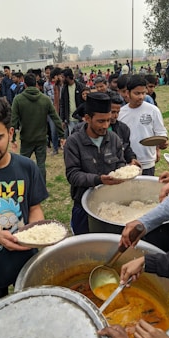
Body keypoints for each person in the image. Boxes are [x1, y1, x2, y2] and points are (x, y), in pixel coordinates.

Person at [0, 95, 48, 312]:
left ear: (10, 133)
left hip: (25, 261)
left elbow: (35, 208)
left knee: (28, 312)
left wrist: (32, 234)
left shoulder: (27, 167)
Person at [64, 92, 126, 235]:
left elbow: (120, 163)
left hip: (112, 205)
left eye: (108, 120)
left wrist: (125, 171)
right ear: (87, 119)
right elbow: (73, 175)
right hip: (83, 205)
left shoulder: (114, 139)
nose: (105, 126)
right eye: (100, 121)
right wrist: (98, 179)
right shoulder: (74, 143)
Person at [11, 72, 64, 182]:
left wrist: (12, 138)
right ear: (36, 84)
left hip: (26, 138)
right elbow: (56, 118)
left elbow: (13, 121)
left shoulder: (18, 100)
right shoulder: (45, 99)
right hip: (41, 138)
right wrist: (62, 135)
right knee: (41, 165)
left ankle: (24, 185)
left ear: (24, 84)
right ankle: (41, 187)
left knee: (23, 164)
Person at [118, 74, 168, 176]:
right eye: (137, 93)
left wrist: (162, 145)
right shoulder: (121, 113)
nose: (141, 97)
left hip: (148, 162)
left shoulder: (153, 110)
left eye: (143, 93)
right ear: (128, 93)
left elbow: (160, 134)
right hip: (128, 163)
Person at [109, 95, 141, 166]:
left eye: (118, 112)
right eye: (113, 112)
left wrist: (132, 158)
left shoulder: (123, 128)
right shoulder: (98, 130)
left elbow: (126, 147)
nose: (115, 116)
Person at [60, 68, 84, 137]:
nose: (62, 79)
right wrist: (63, 119)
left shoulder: (80, 87)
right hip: (70, 119)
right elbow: (62, 105)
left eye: (63, 77)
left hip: (80, 118)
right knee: (73, 138)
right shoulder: (64, 89)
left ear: (67, 77)